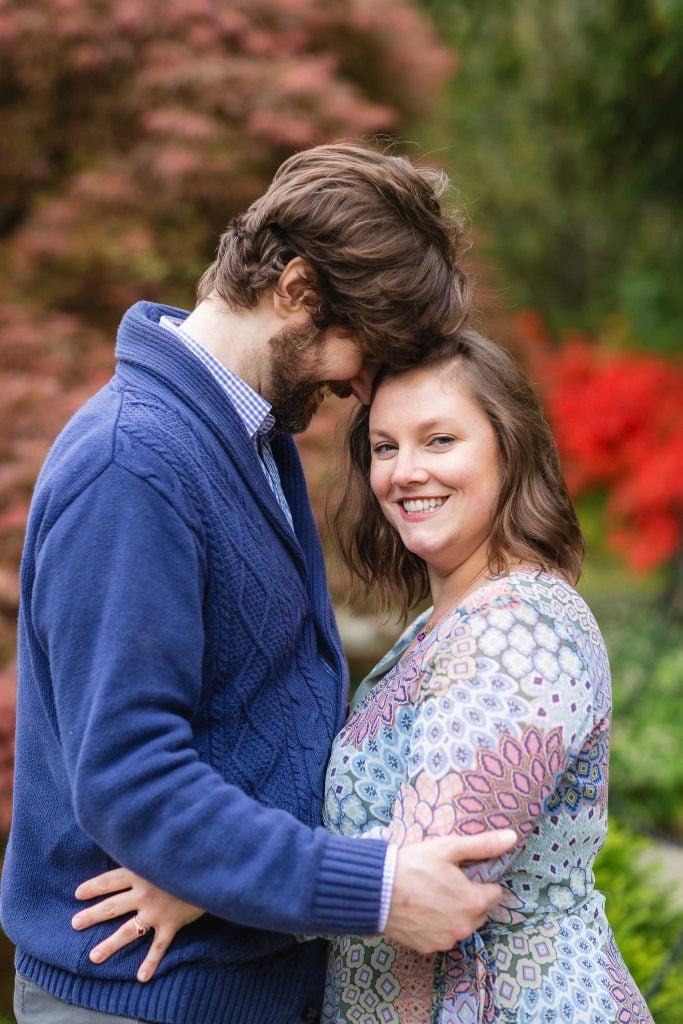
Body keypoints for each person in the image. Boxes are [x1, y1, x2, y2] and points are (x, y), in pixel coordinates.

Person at [1, 142, 516, 1024]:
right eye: (365, 350)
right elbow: (131, 782)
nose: (362, 388)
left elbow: (264, 720)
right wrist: (375, 890)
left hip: (235, 981)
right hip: (143, 998)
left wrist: (209, 882)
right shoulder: (133, 466)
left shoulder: (251, 441)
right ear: (297, 290)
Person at [80, 330, 653, 1022]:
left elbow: (440, 876)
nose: (404, 471)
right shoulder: (439, 623)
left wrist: (209, 879)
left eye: (439, 440)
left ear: (510, 446)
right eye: (385, 447)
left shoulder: (519, 629)